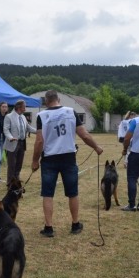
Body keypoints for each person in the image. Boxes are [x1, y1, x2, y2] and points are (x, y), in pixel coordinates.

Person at [31, 90, 103, 237]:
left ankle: (49, 227)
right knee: (72, 192)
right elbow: (84, 135)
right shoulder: (71, 112)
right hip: (68, 157)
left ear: (46, 102)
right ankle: (75, 224)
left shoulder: (41, 116)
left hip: (49, 158)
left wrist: (34, 161)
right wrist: (96, 147)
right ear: (58, 99)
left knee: (48, 194)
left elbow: (39, 141)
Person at [4, 99, 36, 185]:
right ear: (19, 107)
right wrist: (10, 137)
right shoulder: (9, 116)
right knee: (12, 165)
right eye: (24, 107)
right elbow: (6, 129)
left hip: (22, 143)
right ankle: (10, 183)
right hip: (12, 143)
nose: (25, 108)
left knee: (19, 164)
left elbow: (28, 128)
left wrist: (39, 131)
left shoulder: (23, 117)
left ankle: (16, 181)